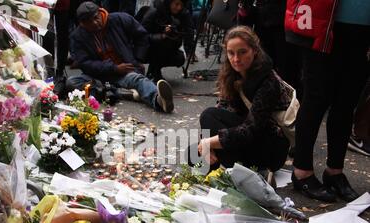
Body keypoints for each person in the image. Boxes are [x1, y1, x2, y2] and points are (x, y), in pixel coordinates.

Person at [286, 0, 370, 202]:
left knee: (346, 102)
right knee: (316, 98)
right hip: (322, 22)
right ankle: (302, 171)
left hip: (362, 27)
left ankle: (334, 171)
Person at [191, 26, 290, 172]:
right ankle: (223, 163)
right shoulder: (232, 74)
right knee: (192, 155)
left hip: (270, 148)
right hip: (243, 138)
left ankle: (244, 169)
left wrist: (208, 142)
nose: (236, 59)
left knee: (208, 116)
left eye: (242, 52)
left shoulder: (268, 81)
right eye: (231, 53)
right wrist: (206, 143)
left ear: (254, 51)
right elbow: (221, 110)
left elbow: (251, 129)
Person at [66, 1, 175, 113]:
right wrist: (113, 68)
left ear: (100, 12)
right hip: (98, 77)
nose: (95, 23)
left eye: (95, 17)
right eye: (89, 22)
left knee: (138, 80)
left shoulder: (119, 19)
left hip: (124, 72)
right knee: (72, 82)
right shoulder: (77, 37)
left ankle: (158, 100)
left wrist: (137, 59)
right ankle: (119, 92)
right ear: (82, 24)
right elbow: (85, 63)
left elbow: (142, 36)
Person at [141, 0, 194, 81]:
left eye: (181, 5)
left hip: (170, 47)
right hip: (149, 48)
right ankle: (154, 71)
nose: (179, 8)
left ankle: (155, 69)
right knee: (163, 42)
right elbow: (141, 35)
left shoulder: (183, 14)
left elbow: (189, 31)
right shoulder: (154, 11)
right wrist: (161, 34)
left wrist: (189, 50)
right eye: (176, 4)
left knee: (180, 58)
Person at [42, 0, 72, 97]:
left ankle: (60, 72)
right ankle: (50, 72)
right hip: (44, 3)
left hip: (63, 4)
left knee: (63, 37)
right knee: (47, 35)